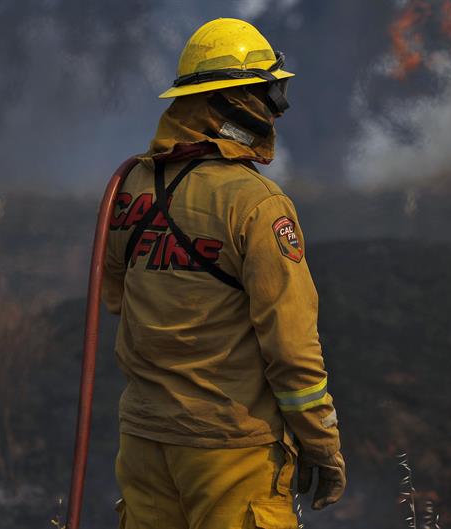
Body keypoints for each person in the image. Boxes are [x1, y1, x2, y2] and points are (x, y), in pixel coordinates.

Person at [102, 18, 345, 529]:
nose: (276, 109)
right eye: (269, 94)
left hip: (145, 445)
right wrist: (321, 444)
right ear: (233, 102)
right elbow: (292, 350)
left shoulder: (130, 189)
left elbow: (116, 297)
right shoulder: (258, 205)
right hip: (231, 450)